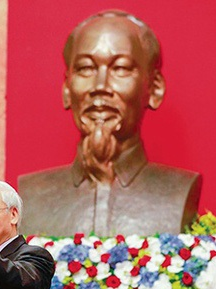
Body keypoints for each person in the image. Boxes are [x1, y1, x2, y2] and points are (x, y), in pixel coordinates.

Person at [18, 9, 202, 238]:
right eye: (86, 68)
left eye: (120, 68)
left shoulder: (178, 192)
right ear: (66, 89)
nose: (100, 86)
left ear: (154, 88)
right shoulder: (31, 194)